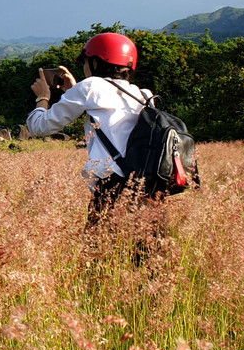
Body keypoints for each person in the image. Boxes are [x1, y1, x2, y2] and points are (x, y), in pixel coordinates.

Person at [26, 32, 153, 222]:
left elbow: (38, 127)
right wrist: (73, 90)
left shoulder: (90, 86)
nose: (84, 67)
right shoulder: (143, 94)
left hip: (113, 186)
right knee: (145, 250)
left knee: (100, 250)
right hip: (148, 187)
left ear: (95, 63)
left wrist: (42, 97)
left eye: (85, 62)